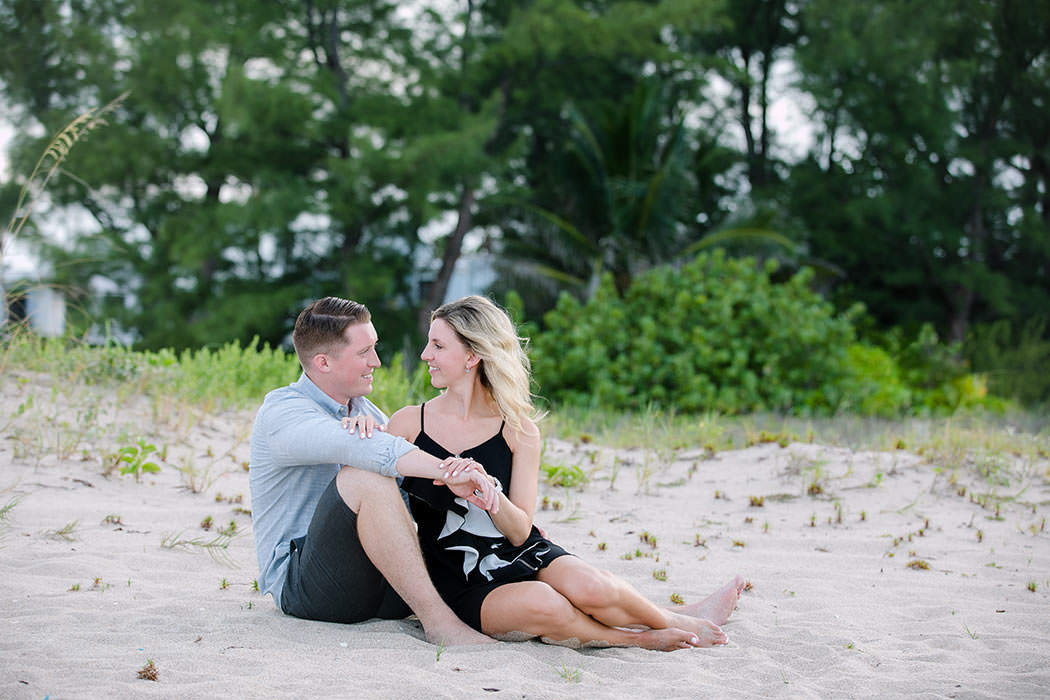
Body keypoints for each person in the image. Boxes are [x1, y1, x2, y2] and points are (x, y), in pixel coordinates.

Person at [380, 295, 746, 651]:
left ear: (472, 355)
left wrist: (491, 495)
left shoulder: (517, 429)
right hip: (458, 580)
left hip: (522, 552)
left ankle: (677, 619)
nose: (425, 355)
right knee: (546, 603)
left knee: (592, 589)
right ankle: (640, 637)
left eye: (438, 346)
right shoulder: (409, 423)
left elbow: (520, 529)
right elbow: (373, 483)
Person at [248, 296, 501, 646]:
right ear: (323, 362)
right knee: (363, 475)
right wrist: (447, 471)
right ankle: (441, 625)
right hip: (307, 588)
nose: (377, 362)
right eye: (364, 352)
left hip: (380, 585)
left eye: (375, 349)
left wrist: (509, 517)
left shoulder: (367, 413)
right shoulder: (283, 413)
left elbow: (413, 494)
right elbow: (359, 449)